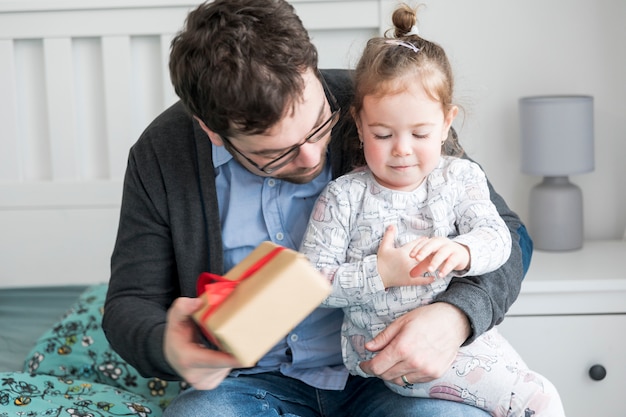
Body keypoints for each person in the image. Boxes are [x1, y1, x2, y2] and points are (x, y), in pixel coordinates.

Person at [102, 1, 533, 416]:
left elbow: (509, 236)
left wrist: (455, 316)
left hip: (390, 379)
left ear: (310, 66)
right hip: (247, 386)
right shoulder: (163, 152)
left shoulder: (382, 105)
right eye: (275, 154)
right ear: (213, 132)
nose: (311, 158)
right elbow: (130, 303)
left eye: (319, 126)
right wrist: (167, 344)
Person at [299, 4, 565, 416]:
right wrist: (381, 273)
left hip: (463, 338)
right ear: (359, 122)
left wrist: (465, 251)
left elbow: (499, 238)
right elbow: (310, 284)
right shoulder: (343, 197)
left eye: (420, 133)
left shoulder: (459, 179)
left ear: (446, 123)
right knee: (535, 400)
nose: (402, 149)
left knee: (534, 395)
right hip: (392, 354)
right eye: (382, 133)